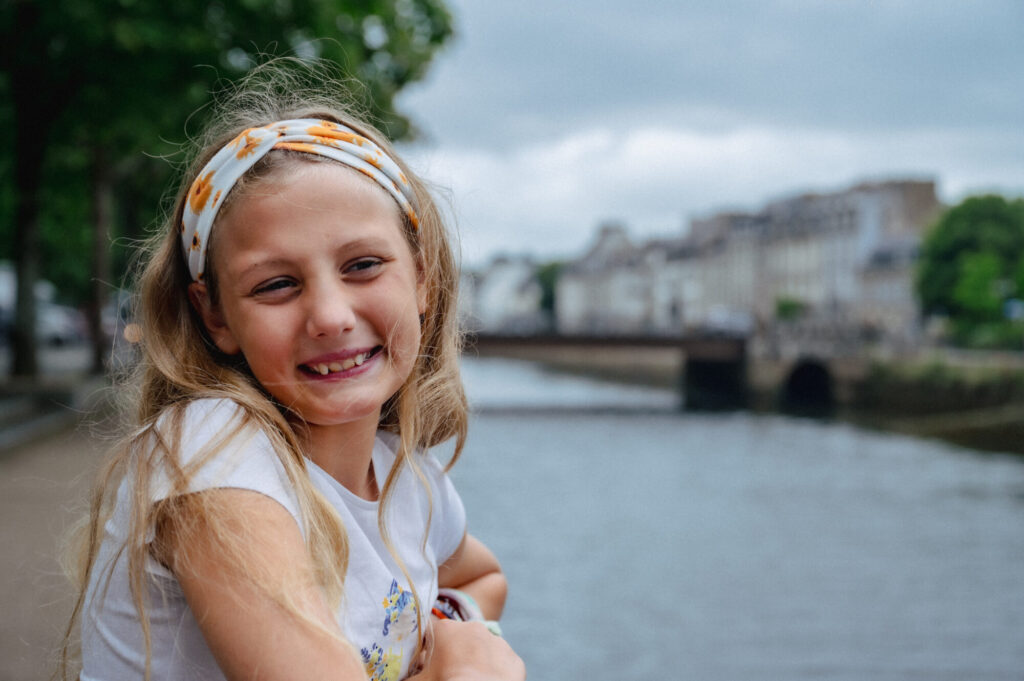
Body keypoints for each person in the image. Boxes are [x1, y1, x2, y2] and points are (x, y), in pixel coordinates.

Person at [60, 61, 524, 681]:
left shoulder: (408, 482)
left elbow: (483, 577)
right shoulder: (209, 456)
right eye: (277, 285)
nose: (330, 316)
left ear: (423, 278)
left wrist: (457, 630)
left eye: (362, 265)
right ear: (216, 316)